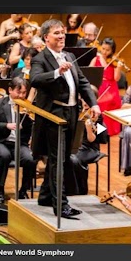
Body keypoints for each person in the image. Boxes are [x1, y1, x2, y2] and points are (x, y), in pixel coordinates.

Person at [29, 20, 100, 218]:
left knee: (63, 156)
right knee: (57, 160)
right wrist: (56, 72)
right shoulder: (40, 58)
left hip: (71, 114)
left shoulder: (69, 56)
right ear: (46, 37)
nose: (61, 36)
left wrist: (94, 103)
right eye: (57, 33)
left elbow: (83, 82)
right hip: (54, 116)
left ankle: (45, 195)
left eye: (62, 32)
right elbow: (34, 79)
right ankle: (61, 205)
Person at [0, 76, 36, 206]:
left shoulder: (27, 107)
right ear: (10, 90)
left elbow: (30, 129)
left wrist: (29, 121)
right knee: (4, 155)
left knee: (30, 159)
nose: (21, 96)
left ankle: (23, 190)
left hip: (18, 143)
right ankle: (0, 190)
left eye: (24, 93)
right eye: (18, 92)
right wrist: (6, 125)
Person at [67, 93, 109, 195]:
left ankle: (80, 190)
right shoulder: (77, 110)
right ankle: (68, 188)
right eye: (84, 99)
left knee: (74, 159)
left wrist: (89, 129)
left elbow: (92, 139)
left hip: (90, 148)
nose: (86, 103)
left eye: (89, 100)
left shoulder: (97, 117)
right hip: (75, 146)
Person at [92, 36, 124, 136]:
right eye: (103, 49)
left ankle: (110, 132)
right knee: (99, 104)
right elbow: (89, 72)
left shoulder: (114, 62)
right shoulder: (96, 58)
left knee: (111, 103)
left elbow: (116, 78)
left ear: (112, 51)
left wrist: (119, 68)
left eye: (108, 50)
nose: (105, 52)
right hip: (99, 86)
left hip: (111, 88)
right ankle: (100, 133)